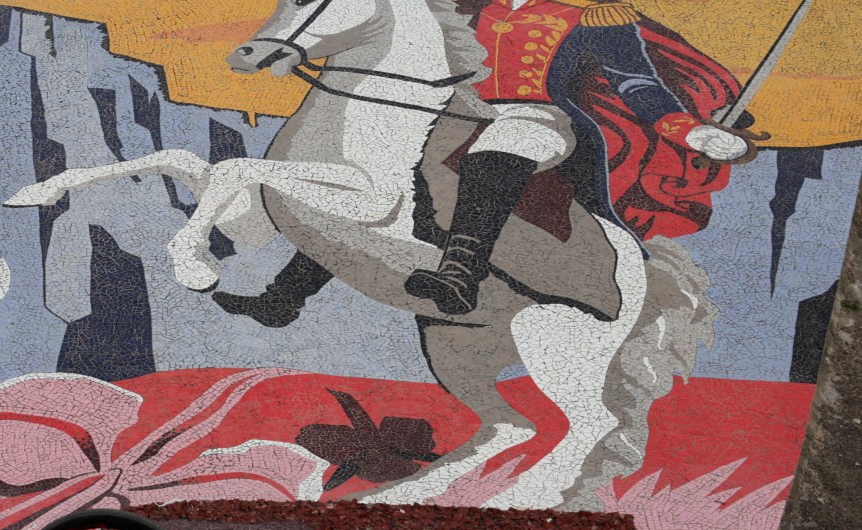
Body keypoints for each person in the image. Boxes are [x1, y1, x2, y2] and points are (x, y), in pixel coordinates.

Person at [212, 0, 758, 322]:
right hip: (459, 108)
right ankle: (284, 298)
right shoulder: (469, 5)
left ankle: (460, 276)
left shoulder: (593, 16)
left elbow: (637, 84)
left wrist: (693, 133)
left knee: (498, 151)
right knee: (381, 171)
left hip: (538, 117)